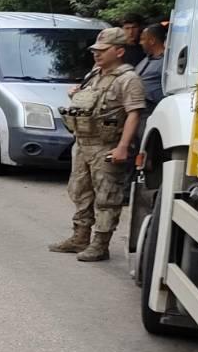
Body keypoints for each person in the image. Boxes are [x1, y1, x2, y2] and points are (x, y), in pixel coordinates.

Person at [48, 27, 147, 261]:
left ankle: (100, 244)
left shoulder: (128, 79)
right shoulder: (95, 74)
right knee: (80, 192)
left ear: (119, 51)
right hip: (83, 143)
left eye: (103, 50)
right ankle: (80, 237)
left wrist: (123, 146)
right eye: (95, 50)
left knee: (106, 196)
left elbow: (134, 113)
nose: (97, 54)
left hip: (106, 145)